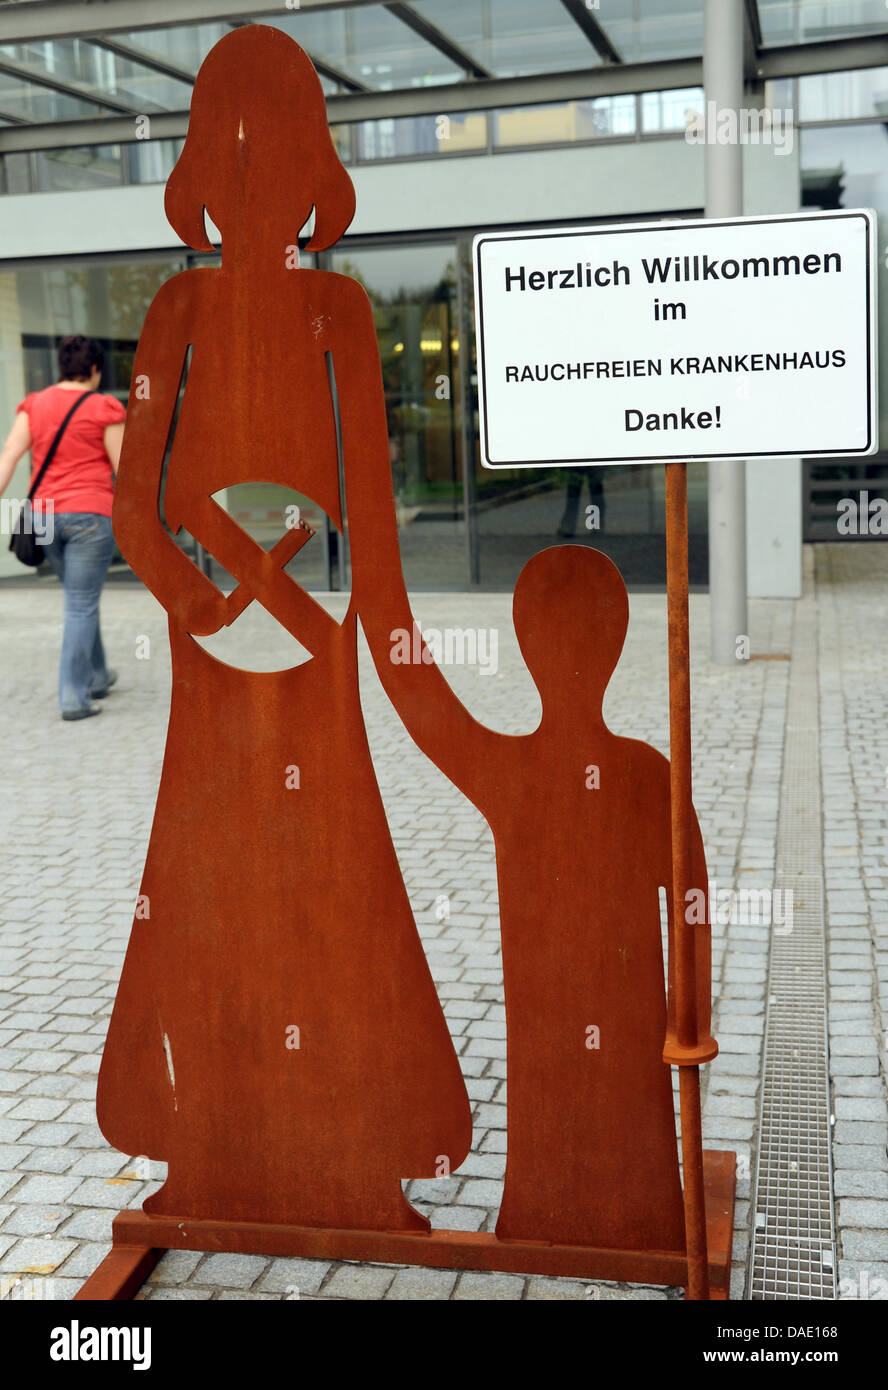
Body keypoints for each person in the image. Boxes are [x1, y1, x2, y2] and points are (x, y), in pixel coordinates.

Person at [96, 26, 471, 1232]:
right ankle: (219, 1141)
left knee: (330, 881)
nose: (254, 183)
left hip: (316, 659)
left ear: (315, 169)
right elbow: (135, 507)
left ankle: (345, 1146)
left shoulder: (339, 313)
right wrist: (206, 600)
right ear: (203, 171)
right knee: (209, 881)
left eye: (276, 154)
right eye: (233, 154)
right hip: (220, 658)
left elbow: (376, 526)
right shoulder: (176, 310)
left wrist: (436, 707)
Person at [355, 540, 716, 1252]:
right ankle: (610, 1219)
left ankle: (600, 1220)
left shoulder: (524, 770)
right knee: (604, 1120)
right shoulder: (644, 773)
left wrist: (377, 587)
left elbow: (425, 706)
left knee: (591, 1115)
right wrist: (688, 1021)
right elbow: (692, 909)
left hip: (587, 1019)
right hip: (619, 1022)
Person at [0, 335, 125, 720]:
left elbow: (9, 457)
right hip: (89, 514)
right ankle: (74, 698)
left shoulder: (34, 404)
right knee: (81, 602)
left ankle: (98, 675)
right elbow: (124, 468)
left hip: (44, 516)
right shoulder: (104, 407)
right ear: (94, 369)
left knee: (78, 596)